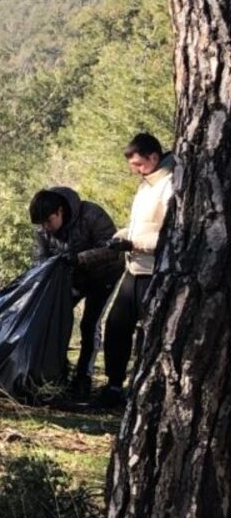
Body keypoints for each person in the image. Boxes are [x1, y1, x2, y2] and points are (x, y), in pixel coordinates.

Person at [98, 133, 175, 408]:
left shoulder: (171, 184)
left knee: (152, 334)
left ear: (154, 158)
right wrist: (122, 236)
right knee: (116, 327)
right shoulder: (146, 185)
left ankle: (146, 391)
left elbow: (170, 236)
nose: (137, 171)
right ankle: (114, 386)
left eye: (140, 165)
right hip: (133, 269)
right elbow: (139, 224)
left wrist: (134, 243)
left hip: (154, 272)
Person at [28, 187, 122, 399]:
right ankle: (54, 371)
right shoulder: (44, 230)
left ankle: (83, 377)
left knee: (89, 324)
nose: (46, 228)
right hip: (71, 280)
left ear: (60, 211)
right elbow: (39, 260)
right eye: (41, 224)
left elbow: (112, 248)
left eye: (49, 221)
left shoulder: (92, 214)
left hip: (104, 277)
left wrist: (79, 258)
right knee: (52, 318)